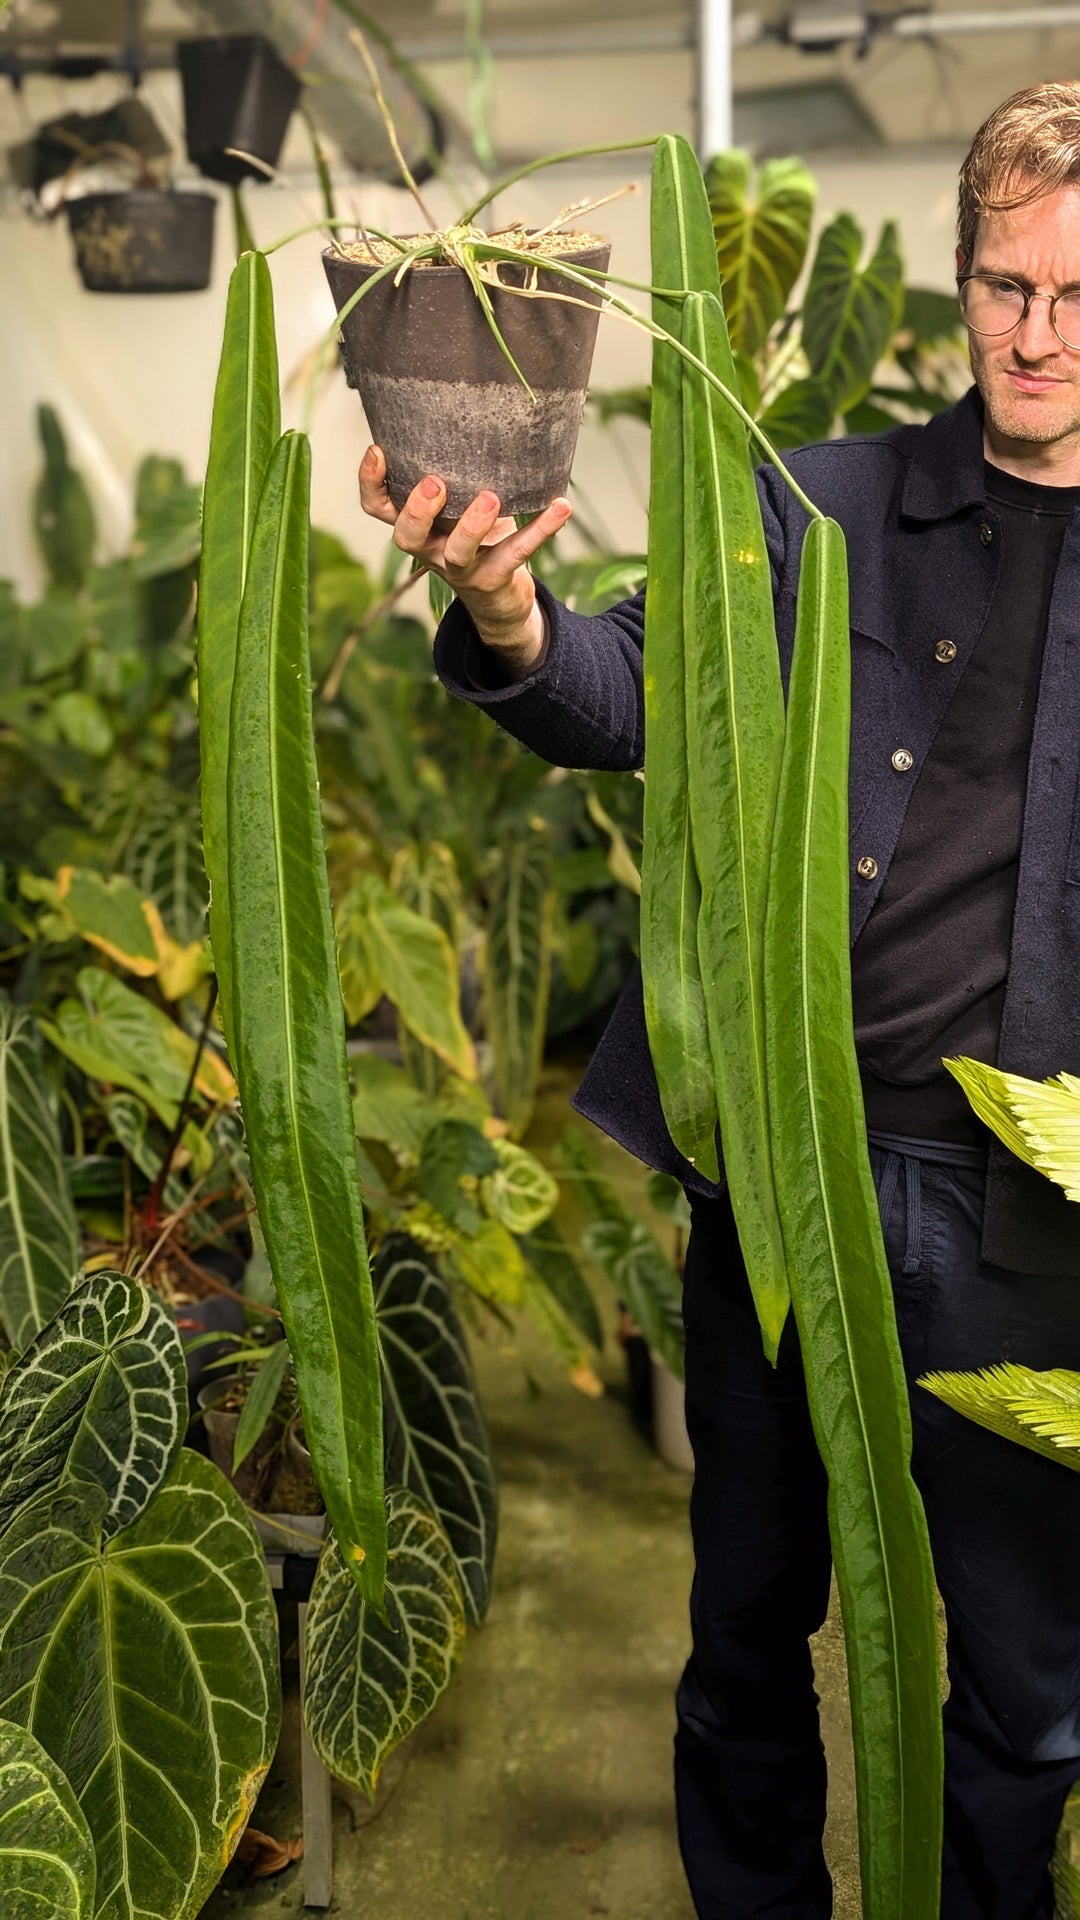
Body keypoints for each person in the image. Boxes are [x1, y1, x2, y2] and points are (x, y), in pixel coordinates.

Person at [360, 82, 1080, 1920]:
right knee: (750, 1634)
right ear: (963, 279)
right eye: (1007, 286)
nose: (1037, 333)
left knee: (1024, 1684)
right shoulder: (823, 501)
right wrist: (508, 611)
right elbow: (624, 685)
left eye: (1078, 295)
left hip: (1032, 1212)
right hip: (782, 1167)